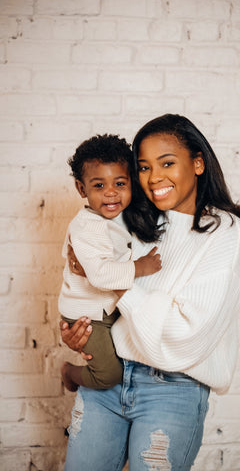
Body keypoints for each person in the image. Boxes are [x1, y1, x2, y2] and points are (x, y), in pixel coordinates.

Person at [60, 114, 240, 471]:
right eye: (144, 167)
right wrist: (85, 334)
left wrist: (115, 281)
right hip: (110, 379)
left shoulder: (226, 233)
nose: (154, 178)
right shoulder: (134, 219)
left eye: (167, 163)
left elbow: (184, 335)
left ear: (198, 163)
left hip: (173, 390)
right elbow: (102, 293)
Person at [59, 133, 161, 392]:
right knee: (108, 375)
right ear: (82, 189)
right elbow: (100, 275)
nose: (111, 193)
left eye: (119, 183)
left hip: (106, 309)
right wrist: (139, 267)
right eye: (99, 186)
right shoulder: (88, 228)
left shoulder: (118, 218)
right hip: (88, 316)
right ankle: (70, 373)